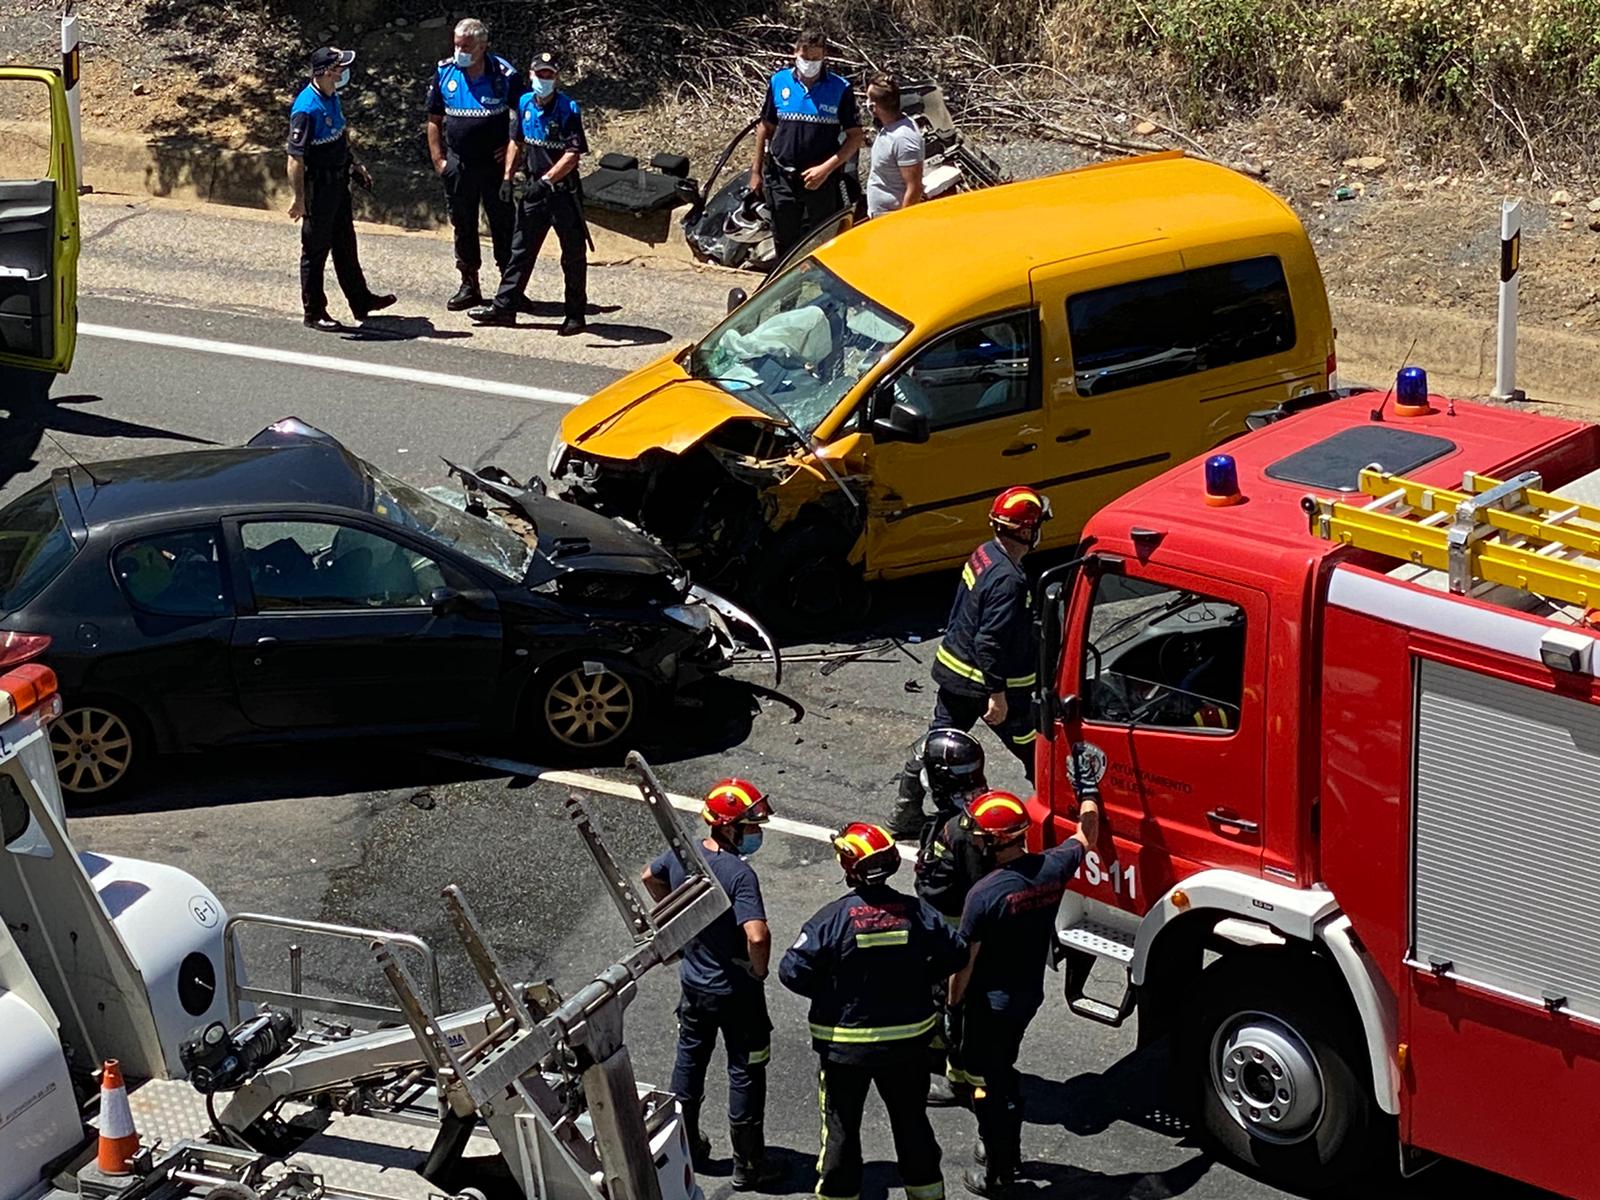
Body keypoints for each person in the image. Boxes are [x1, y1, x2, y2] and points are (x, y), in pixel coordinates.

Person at [780, 821, 968, 1200]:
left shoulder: (831, 919)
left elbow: (792, 971)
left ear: (850, 868)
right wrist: (919, 979)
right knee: (912, 1123)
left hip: (845, 1049)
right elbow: (957, 952)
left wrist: (832, 993)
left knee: (841, 1129)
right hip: (909, 1045)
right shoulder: (918, 912)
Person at [947, 789, 1100, 1195]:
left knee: (990, 1086)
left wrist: (952, 1006)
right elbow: (1087, 836)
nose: (976, 842)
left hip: (989, 1005)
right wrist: (1089, 794)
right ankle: (1000, 1146)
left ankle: (999, 1167)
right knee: (1002, 1068)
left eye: (980, 836)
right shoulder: (1053, 867)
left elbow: (965, 963)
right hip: (1026, 996)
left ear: (996, 841)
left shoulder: (984, 895)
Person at [640, 778, 780, 1190]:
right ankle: (749, 1164)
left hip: (695, 986)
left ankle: (686, 1148)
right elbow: (757, 935)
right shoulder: (738, 875)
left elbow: (651, 876)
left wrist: (679, 923)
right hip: (737, 992)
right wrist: (759, 971)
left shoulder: (685, 857)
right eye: (751, 826)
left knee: (689, 1063)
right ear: (729, 827)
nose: (756, 833)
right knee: (746, 1070)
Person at [897, 486, 1049, 813]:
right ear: (1025, 530)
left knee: (937, 744)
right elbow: (989, 640)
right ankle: (1060, 807)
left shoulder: (985, 553)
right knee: (1033, 747)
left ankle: (906, 809)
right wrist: (997, 693)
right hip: (987, 683)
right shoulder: (1010, 580)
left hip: (956, 671)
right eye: (1037, 526)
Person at [469, 51, 589, 335]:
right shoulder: (524, 102)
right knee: (519, 250)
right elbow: (516, 141)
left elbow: (573, 155)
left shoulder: (568, 108)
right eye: (539, 74)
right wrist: (508, 178)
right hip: (533, 190)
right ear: (531, 75)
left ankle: (575, 314)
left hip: (562, 192)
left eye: (549, 74)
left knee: (572, 255)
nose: (544, 79)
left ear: (556, 77)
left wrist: (546, 181)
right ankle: (504, 307)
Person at [907, 731, 996, 1107]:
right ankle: (937, 1052)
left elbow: (978, 892)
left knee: (954, 1005)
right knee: (935, 998)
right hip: (940, 929)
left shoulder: (964, 830)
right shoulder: (961, 816)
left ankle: (959, 1080)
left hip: (954, 935)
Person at [286, 47, 395, 331]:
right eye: (339, 67)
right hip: (318, 188)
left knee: (346, 245)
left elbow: (339, 137)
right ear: (324, 71)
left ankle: (361, 301)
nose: (343, 71)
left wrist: (354, 164)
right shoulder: (306, 109)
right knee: (315, 251)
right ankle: (314, 312)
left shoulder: (331, 96)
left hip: (338, 183)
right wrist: (299, 199)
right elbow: (295, 158)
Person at [425, 18, 523, 310]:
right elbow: (433, 120)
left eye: (466, 46)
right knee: (463, 225)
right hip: (458, 166)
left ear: (483, 46)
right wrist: (439, 160)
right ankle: (469, 285)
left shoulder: (505, 74)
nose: (460, 51)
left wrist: (512, 148)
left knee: (504, 225)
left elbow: (523, 115)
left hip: (493, 168)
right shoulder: (445, 71)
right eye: (456, 45)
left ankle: (510, 290)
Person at [748, 28, 864, 260]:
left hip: (820, 181)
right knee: (784, 240)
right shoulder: (778, 82)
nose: (809, 63)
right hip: (781, 177)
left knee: (823, 242)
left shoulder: (840, 89)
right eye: (805, 57)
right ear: (795, 52)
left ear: (824, 57)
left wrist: (826, 169)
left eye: (815, 58)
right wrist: (756, 172)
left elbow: (855, 137)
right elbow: (765, 128)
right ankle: (786, 294)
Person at [865, 75, 924, 219]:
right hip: (880, 215)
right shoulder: (890, 128)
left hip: (891, 217)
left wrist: (902, 222)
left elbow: (914, 188)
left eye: (868, 99)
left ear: (873, 107)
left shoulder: (903, 139)